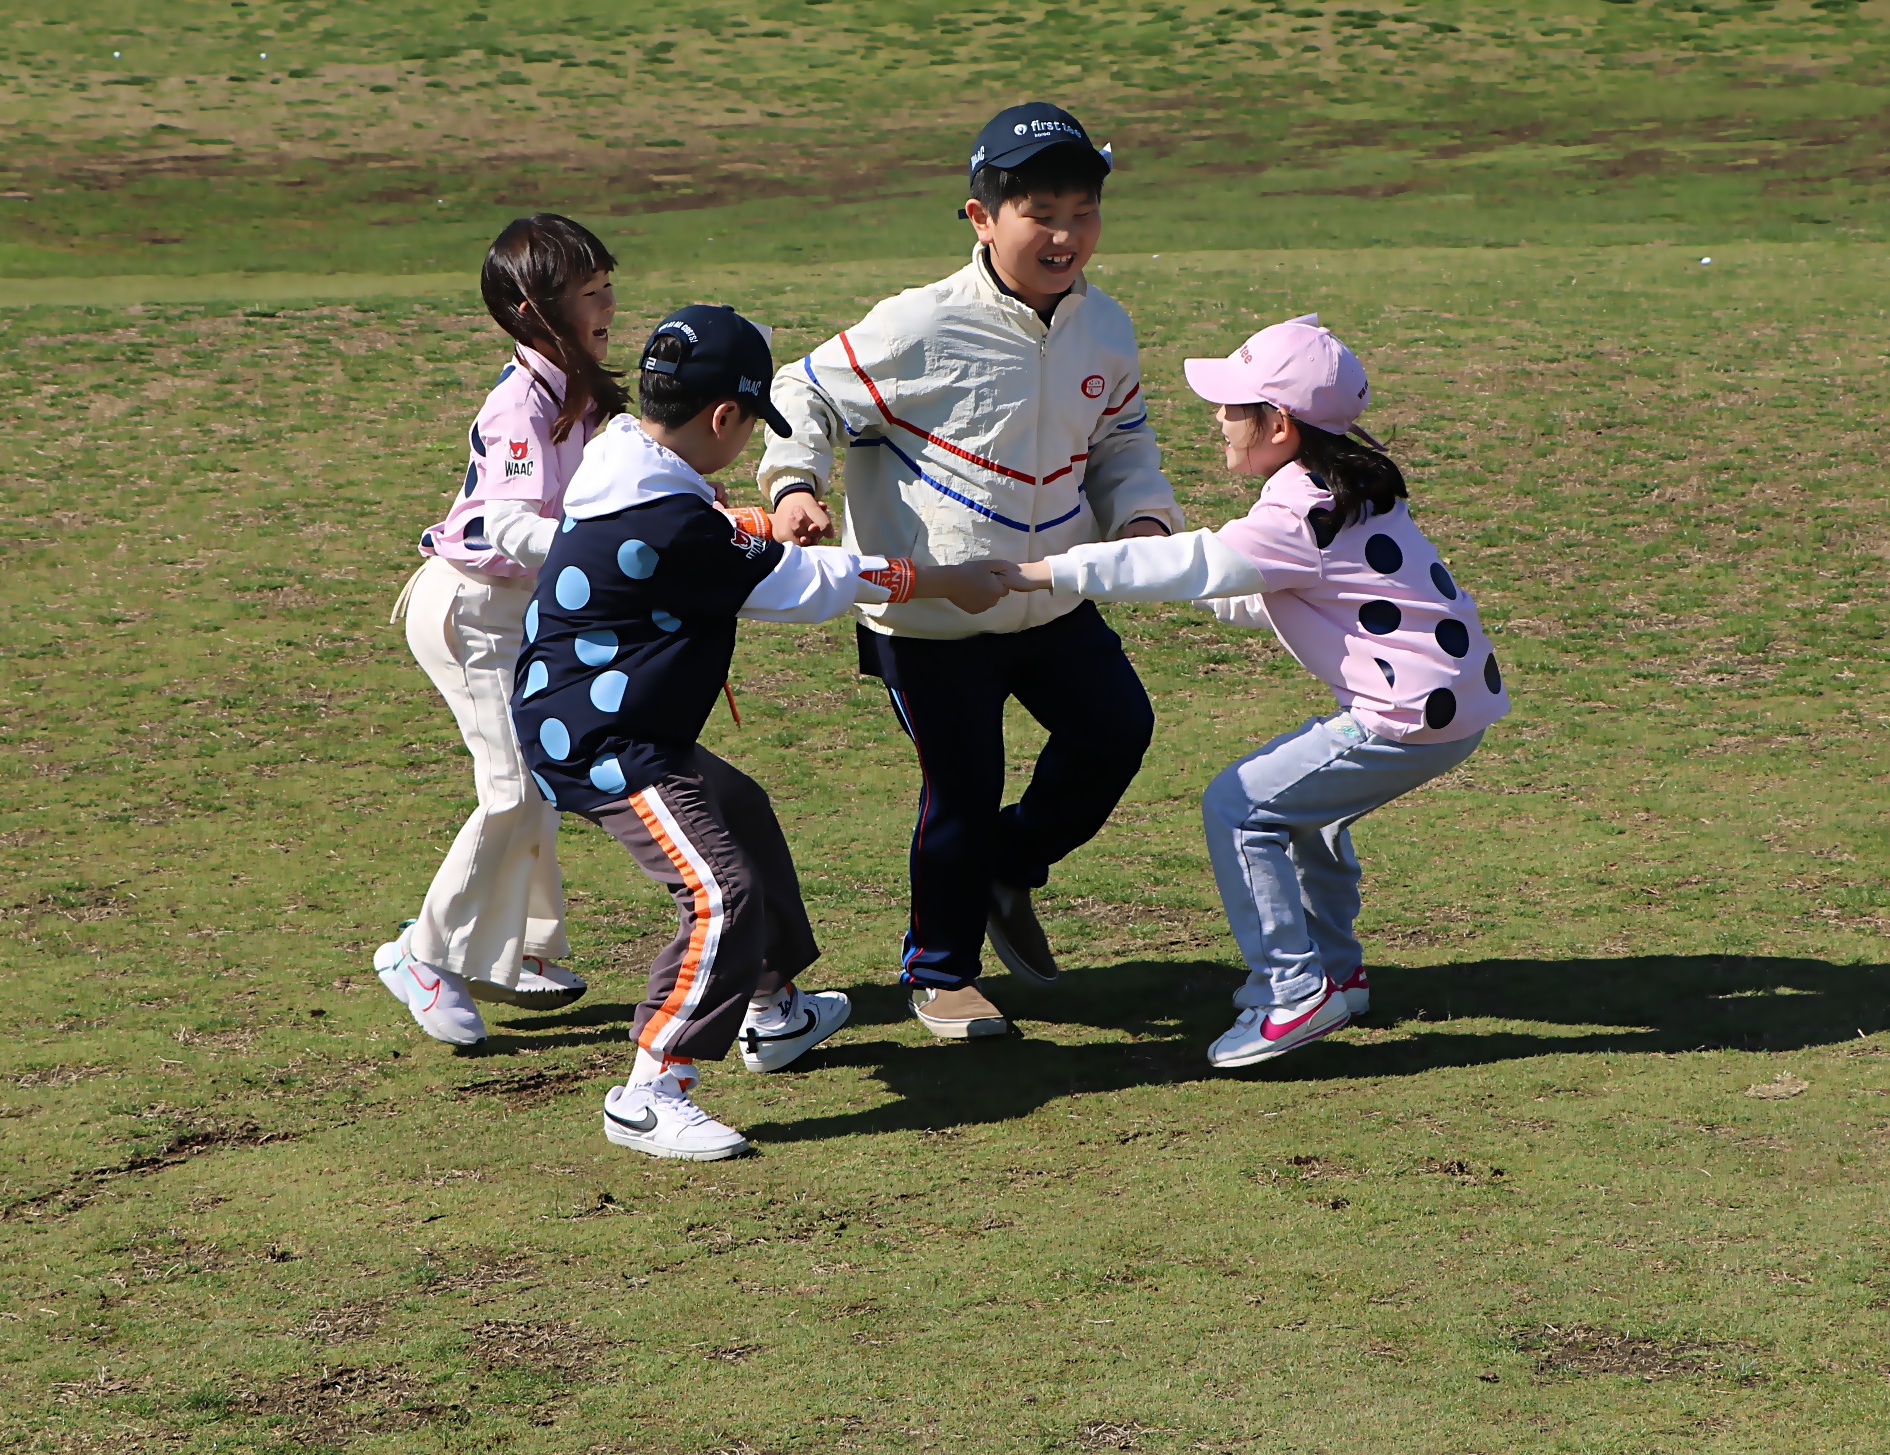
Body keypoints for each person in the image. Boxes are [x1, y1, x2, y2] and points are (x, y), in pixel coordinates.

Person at [515, 305, 1013, 1161]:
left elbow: (713, 535)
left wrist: (756, 522)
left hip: (617, 719)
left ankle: (770, 1009)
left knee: (740, 811)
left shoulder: (626, 460)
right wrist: (942, 581)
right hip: (604, 741)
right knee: (720, 890)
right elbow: (801, 585)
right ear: (724, 417)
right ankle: (651, 1089)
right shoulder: (665, 521)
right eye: (752, 426)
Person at [762, 105, 1181, 1042]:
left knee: (1117, 731)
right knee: (962, 785)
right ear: (982, 218)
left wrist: (1144, 514)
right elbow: (803, 390)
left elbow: (1121, 440)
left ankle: (1004, 866)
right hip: (931, 616)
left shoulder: (1105, 327)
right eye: (1042, 213)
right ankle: (941, 972)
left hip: (1051, 595)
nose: (1067, 235)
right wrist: (793, 485)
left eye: (1084, 212)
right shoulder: (921, 322)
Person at [995, 316, 1508, 1069]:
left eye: (1234, 407)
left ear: (1280, 425)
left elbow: (1195, 564)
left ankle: (1292, 992)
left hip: (1404, 714)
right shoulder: (1346, 487)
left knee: (1240, 806)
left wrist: (1044, 572)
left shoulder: (1298, 508)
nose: (1219, 419)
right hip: (1449, 706)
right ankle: (1334, 972)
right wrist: (1203, 580)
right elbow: (1279, 587)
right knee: (1306, 814)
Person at [375, 215, 625, 1049]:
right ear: (530, 310)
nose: (607, 306)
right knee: (512, 788)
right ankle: (423, 955)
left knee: (542, 776)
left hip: (519, 609)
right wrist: (608, 552)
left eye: (606, 287)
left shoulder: (571, 387)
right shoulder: (521, 402)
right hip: (472, 611)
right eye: (587, 293)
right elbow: (512, 526)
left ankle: (514, 949)